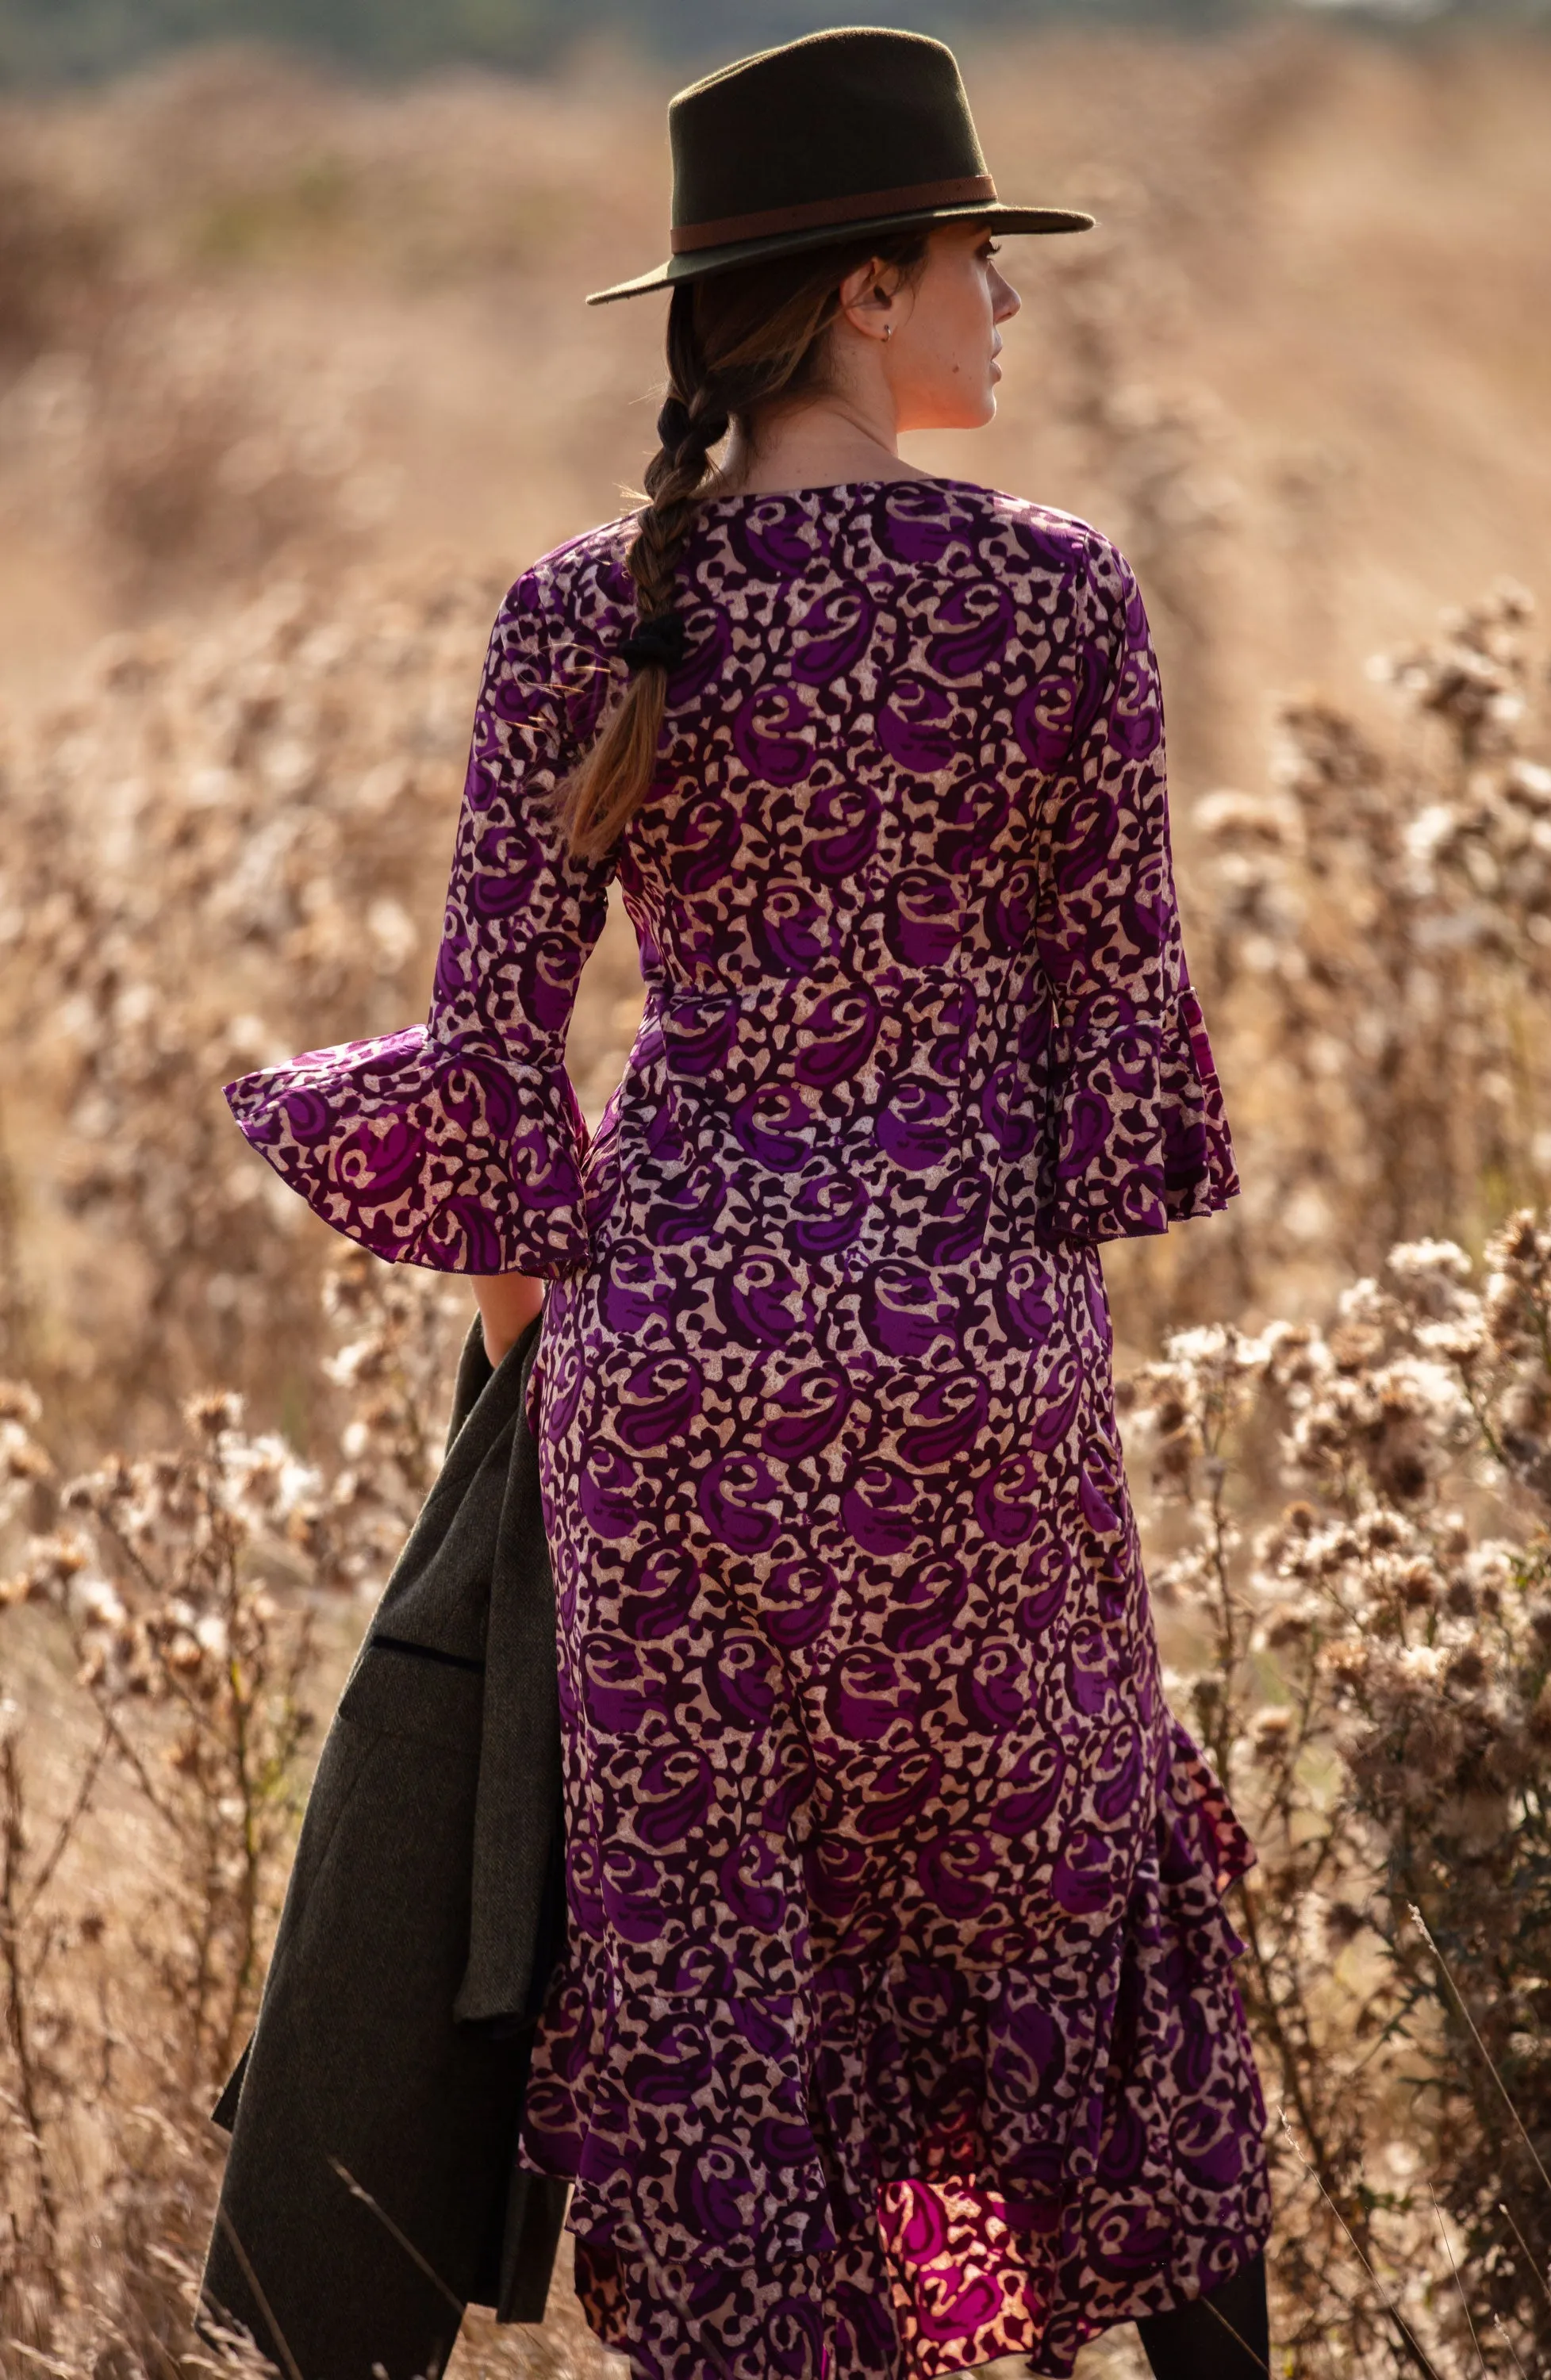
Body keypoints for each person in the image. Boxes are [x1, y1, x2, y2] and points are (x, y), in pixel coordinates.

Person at [224, 25, 1272, 2380]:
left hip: (669, 1372)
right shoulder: (1063, 603)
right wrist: (980, 1335)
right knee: (1041, 1915)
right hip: (973, 1363)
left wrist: (546, 1351)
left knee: (725, 1988)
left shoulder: (583, 607)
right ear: (874, 291)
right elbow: (1120, 1059)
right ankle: (993, 2339)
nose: (1008, 309)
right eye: (983, 266)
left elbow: (497, 1054)